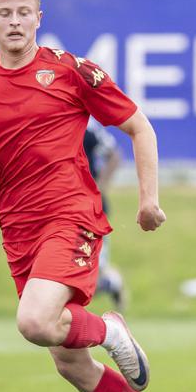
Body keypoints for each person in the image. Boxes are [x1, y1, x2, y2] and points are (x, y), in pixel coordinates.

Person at [0, 0, 166, 392]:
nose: (14, 21)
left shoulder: (70, 70)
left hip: (71, 217)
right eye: (4, 13)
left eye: (23, 12)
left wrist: (149, 201)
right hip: (18, 231)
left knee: (35, 321)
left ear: (38, 17)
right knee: (69, 363)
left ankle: (108, 329)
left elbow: (139, 127)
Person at [84, 118, 128, 311]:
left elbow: (114, 154)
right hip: (59, 204)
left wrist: (99, 187)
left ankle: (112, 283)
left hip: (91, 206)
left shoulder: (88, 127)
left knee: (93, 269)